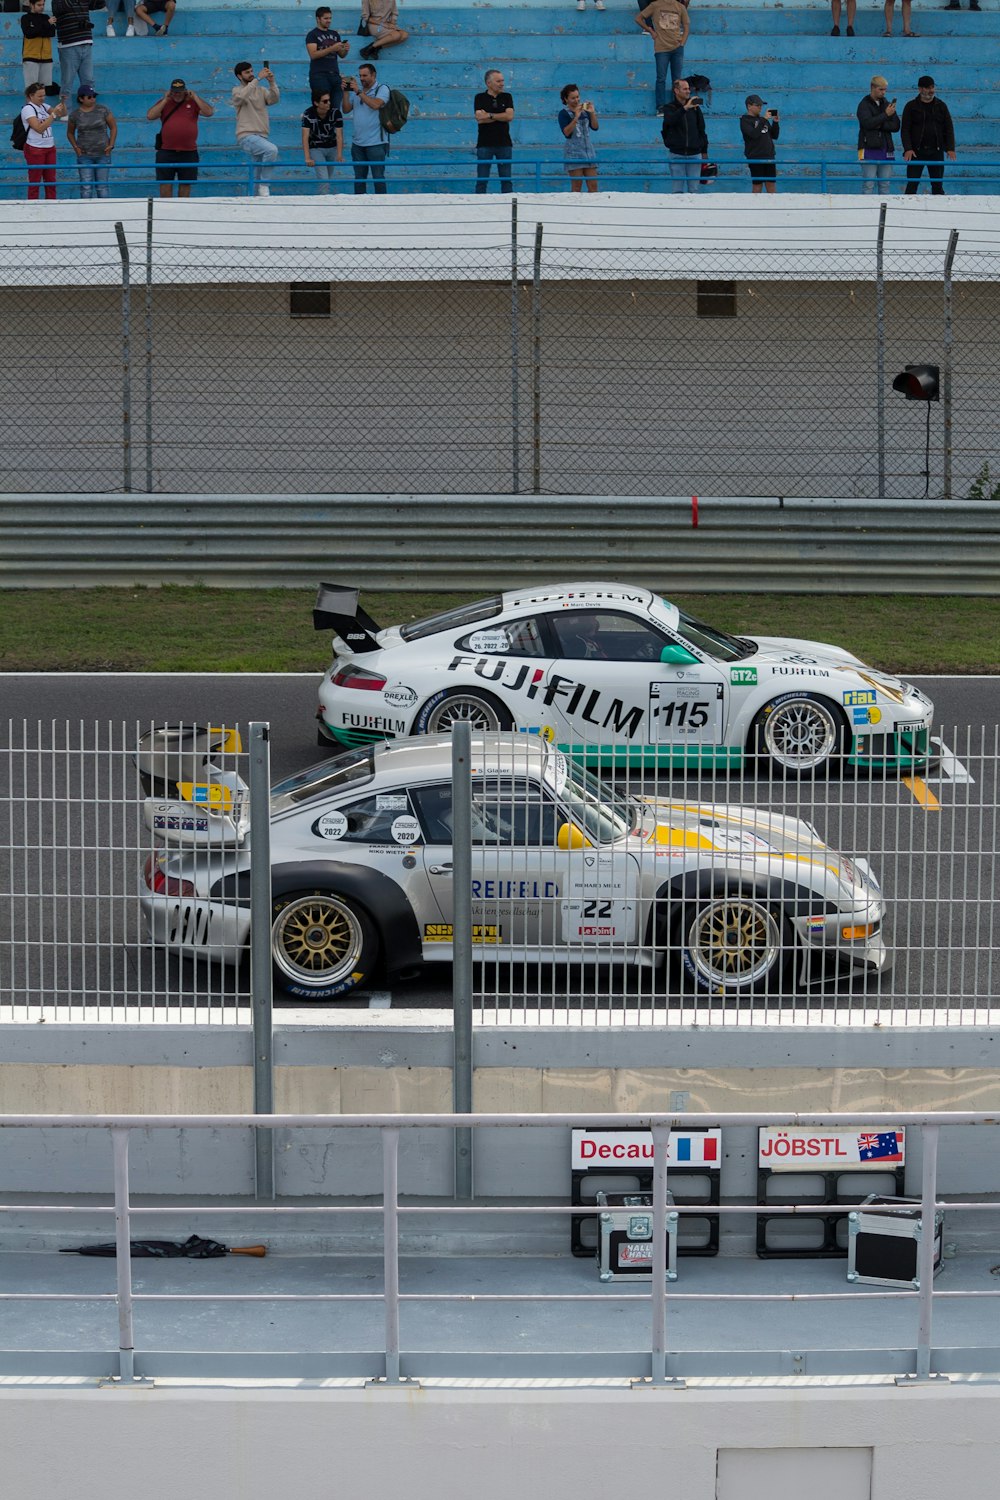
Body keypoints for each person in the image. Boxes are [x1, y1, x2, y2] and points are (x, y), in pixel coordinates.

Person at [148, 77, 213, 198]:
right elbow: (150, 116)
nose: (177, 94)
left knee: (185, 184)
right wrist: (164, 100)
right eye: (174, 91)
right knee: (165, 184)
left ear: (185, 91)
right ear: (170, 91)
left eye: (180, 91)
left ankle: (182, 210)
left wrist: (195, 97)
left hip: (188, 152)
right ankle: (166, 210)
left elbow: (209, 112)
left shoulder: (193, 103)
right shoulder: (165, 103)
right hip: (166, 151)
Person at [231, 61, 280, 197]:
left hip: (261, 135)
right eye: (247, 72)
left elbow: (274, 99)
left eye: (252, 71)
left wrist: (271, 82)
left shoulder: (261, 90)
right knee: (272, 150)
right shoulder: (237, 90)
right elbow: (241, 97)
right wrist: (258, 79)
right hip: (246, 135)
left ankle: (254, 198)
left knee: (256, 174)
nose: (251, 74)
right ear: (239, 76)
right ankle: (265, 185)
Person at [901, 75, 956, 194]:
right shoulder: (910, 106)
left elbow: (949, 128)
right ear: (920, 89)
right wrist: (908, 148)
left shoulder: (941, 106)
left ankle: (938, 211)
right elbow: (905, 130)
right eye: (927, 88)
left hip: (936, 151)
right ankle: (907, 210)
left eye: (932, 87)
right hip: (916, 152)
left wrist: (950, 148)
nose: (931, 90)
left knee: (937, 185)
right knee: (912, 185)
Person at [634, 0, 690, 115]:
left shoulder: (680, 7)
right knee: (661, 78)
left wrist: (683, 42)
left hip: (677, 49)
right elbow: (638, 18)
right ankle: (660, 107)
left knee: (677, 79)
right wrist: (650, 30)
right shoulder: (655, 5)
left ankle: (677, 105)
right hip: (661, 49)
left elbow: (686, 25)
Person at [342, 62, 390, 194]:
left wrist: (357, 91)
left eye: (365, 75)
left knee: (378, 178)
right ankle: (359, 208)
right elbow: (346, 110)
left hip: (376, 143)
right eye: (360, 76)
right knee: (359, 179)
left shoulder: (382, 89)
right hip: (357, 144)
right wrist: (346, 93)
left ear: (373, 75)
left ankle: (382, 207)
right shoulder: (358, 91)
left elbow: (375, 105)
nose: (362, 78)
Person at [52, 0, 104, 112]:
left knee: (88, 80)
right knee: (67, 82)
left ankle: (89, 110)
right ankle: (66, 111)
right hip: (68, 44)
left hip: (86, 41)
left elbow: (99, 4)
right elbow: (60, 9)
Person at [67, 82, 116, 198]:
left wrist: (111, 145)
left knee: (102, 186)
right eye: (89, 97)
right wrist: (76, 148)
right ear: (81, 99)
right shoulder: (75, 115)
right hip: (84, 155)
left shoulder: (103, 110)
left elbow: (113, 127)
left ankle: (103, 213)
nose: (93, 99)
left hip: (103, 153)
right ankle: (86, 214)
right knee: (86, 187)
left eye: (94, 96)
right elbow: (70, 133)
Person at [661, 76, 708, 192]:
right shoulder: (668, 108)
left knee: (694, 190)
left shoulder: (696, 109)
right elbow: (670, 120)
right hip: (676, 154)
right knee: (677, 190)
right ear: (676, 91)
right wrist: (685, 108)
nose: (688, 91)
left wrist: (704, 150)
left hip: (695, 154)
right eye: (685, 89)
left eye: (689, 89)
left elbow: (701, 129)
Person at [20, 81, 66, 200]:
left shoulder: (44, 106)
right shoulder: (28, 109)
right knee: (35, 180)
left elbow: (62, 114)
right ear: (31, 96)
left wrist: (62, 102)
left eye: (44, 95)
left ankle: (51, 203)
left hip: (50, 147)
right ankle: (33, 204)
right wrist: (53, 115)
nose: (43, 98)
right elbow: (39, 128)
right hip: (35, 148)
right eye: (39, 96)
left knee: (51, 179)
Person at [857, 75, 899, 194]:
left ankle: (883, 211)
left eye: (885, 89)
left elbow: (896, 126)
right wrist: (885, 116)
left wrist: (880, 124)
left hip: (886, 148)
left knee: (885, 184)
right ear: (872, 87)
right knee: (868, 184)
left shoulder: (887, 104)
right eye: (881, 89)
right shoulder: (864, 104)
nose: (883, 92)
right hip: (868, 148)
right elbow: (867, 124)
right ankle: (867, 211)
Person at [474, 68, 514, 193]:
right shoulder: (480, 97)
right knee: (482, 180)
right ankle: (478, 206)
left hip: (504, 144)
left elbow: (509, 116)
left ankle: (509, 205)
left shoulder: (507, 97)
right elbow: (479, 118)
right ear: (488, 83)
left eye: (502, 81)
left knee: (506, 179)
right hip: (485, 144)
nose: (502, 84)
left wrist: (489, 115)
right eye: (498, 81)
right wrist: (500, 116)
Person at [306, 6, 349, 113]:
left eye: (330, 18)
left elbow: (341, 55)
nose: (329, 20)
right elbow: (313, 55)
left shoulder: (335, 34)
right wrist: (332, 48)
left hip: (335, 75)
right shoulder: (312, 35)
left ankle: (333, 130)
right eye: (326, 18)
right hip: (319, 76)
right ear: (318, 19)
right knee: (321, 109)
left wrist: (346, 49)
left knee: (335, 110)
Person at [302, 88, 344, 192]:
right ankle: (324, 203)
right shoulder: (308, 114)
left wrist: (339, 154)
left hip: (332, 148)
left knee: (327, 179)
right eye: (325, 101)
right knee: (324, 180)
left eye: (329, 100)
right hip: (316, 148)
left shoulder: (336, 113)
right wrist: (307, 158)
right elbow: (305, 137)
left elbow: (339, 135)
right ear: (316, 103)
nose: (328, 103)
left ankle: (323, 200)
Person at [558, 84, 599, 192]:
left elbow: (595, 127)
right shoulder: (563, 114)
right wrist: (576, 116)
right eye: (573, 98)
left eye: (577, 97)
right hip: (574, 153)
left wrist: (592, 113)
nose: (576, 100)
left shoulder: (585, 112)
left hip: (588, 152)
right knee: (576, 187)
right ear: (566, 99)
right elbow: (566, 132)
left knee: (593, 186)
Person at [740, 93, 779, 194]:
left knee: (771, 185)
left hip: (769, 156)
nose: (760, 108)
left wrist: (775, 122)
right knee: (757, 186)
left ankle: (773, 207)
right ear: (749, 106)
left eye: (761, 105)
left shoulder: (762, 120)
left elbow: (774, 135)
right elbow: (754, 134)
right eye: (758, 105)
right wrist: (764, 119)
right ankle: (755, 208)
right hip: (755, 157)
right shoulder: (745, 120)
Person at [20, 0, 58, 96]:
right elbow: (29, 33)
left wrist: (37, 29)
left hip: (46, 58)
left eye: (43, 5)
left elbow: (52, 33)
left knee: (43, 90)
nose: (42, 7)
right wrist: (46, 25)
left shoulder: (46, 17)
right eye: (39, 5)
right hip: (30, 57)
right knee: (31, 90)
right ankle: (29, 110)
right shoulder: (25, 18)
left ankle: (40, 110)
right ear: (32, 5)